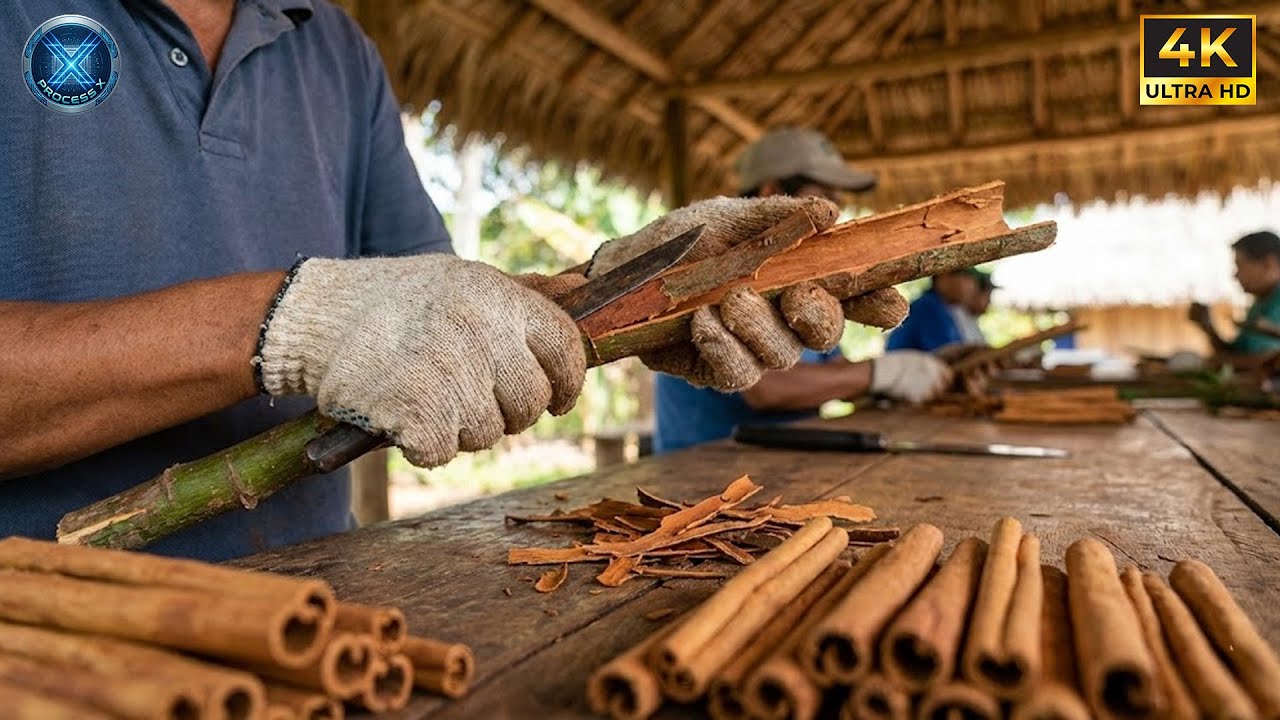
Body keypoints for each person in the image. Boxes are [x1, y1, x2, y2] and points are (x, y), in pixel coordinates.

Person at [1, 3, 867, 560]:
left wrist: (640, 286)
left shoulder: (331, 46)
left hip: (313, 609)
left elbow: (422, 315)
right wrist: (287, 325)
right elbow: (338, 317)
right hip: (44, 628)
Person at [652, 128, 953, 454]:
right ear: (772, 192)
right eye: (824, 198)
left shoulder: (796, 280)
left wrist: (917, 369)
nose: (835, 215)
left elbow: (834, 370)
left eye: (837, 202)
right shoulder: (718, 267)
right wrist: (880, 374)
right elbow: (766, 390)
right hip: (700, 474)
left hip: (776, 467)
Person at [1189, 230, 1280, 367]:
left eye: (1239, 266)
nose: (1235, 275)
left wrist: (1207, 362)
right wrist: (1208, 327)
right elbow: (1237, 354)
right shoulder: (1260, 304)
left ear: (1268, 264)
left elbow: (1268, 362)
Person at [886, 270, 982, 353]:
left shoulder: (943, 309)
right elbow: (951, 356)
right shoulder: (928, 307)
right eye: (966, 277)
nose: (973, 286)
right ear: (944, 276)